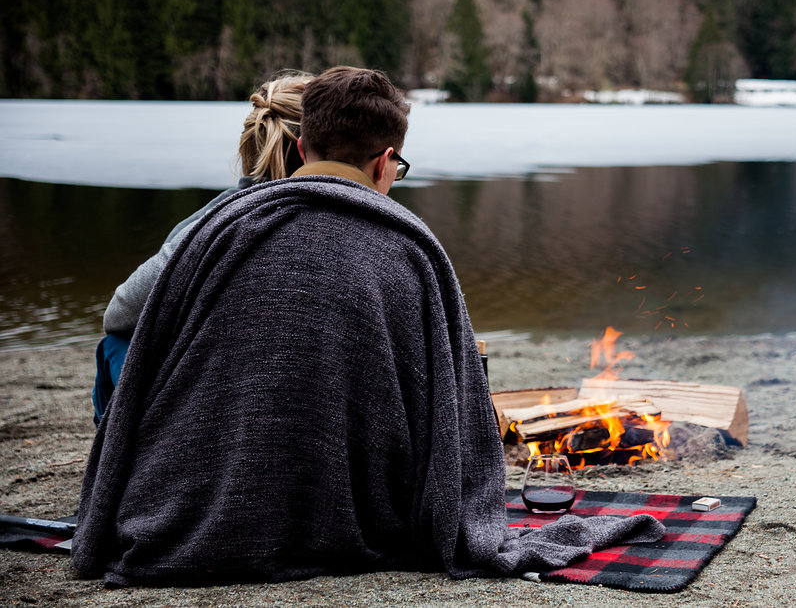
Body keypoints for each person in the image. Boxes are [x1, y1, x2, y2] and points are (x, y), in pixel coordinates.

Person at [72, 66, 662, 587]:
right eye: (396, 169)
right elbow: (453, 412)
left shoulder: (219, 230)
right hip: (359, 515)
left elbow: (130, 328)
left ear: (303, 148)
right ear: (385, 162)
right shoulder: (410, 251)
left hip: (185, 511)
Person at [91, 71, 312, 425]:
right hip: (295, 406)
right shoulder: (353, 225)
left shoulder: (216, 225)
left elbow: (119, 313)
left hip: (216, 413)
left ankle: (124, 466)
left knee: (114, 346)